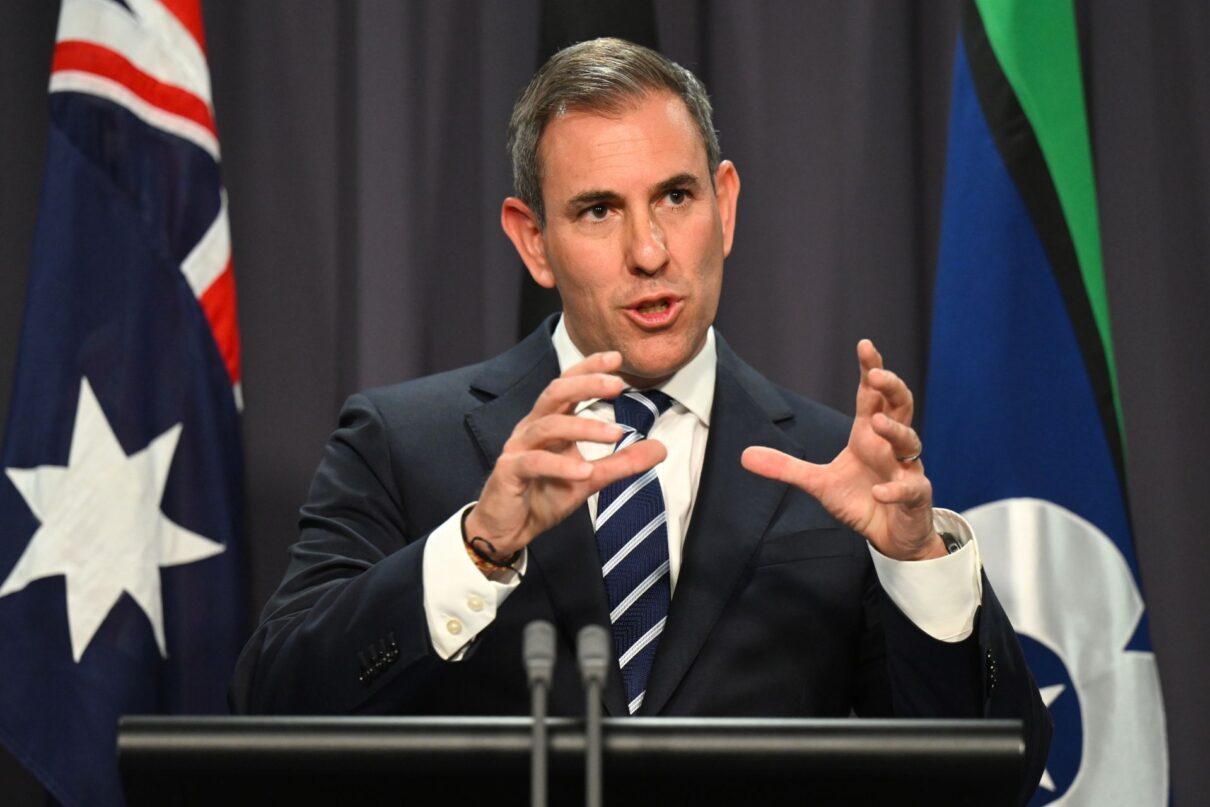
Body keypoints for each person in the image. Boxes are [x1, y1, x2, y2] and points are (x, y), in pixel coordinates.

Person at [229, 38, 1049, 800]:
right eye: (597, 211)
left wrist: (916, 564)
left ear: (723, 206)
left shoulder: (836, 467)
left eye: (676, 196)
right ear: (533, 240)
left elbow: (991, 780)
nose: (650, 250)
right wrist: (476, 548)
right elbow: (269, 712)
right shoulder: (404, 442)